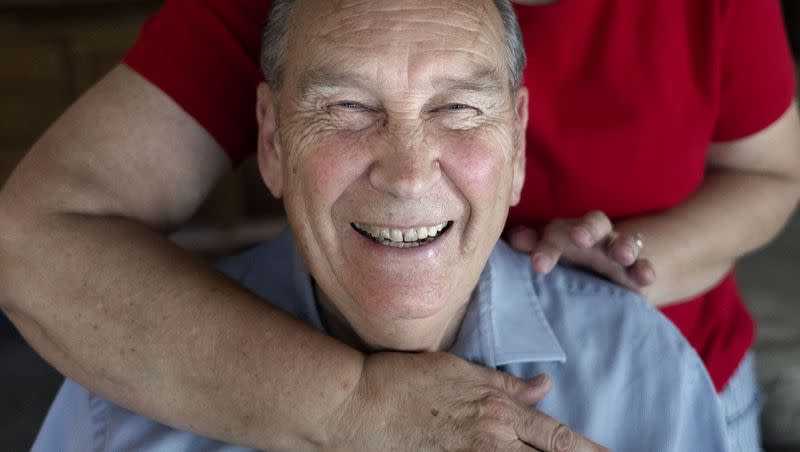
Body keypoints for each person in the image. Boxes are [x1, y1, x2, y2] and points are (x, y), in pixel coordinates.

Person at [0, 0, 797, 450]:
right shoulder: (115, 423)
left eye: (460, 107)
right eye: (348, 107)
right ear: (271, 138)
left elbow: (774, 172)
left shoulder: (647, 371)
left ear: (515, 135)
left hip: (647, 364)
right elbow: (34, 235)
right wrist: (351, 405)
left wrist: (633, 263)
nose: (410, 170)